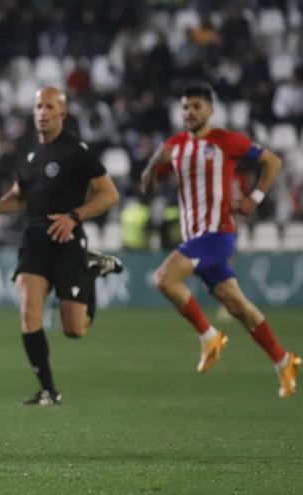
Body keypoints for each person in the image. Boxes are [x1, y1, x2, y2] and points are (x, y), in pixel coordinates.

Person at [0, 87, 123, 406]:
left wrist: (75, 217)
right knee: (29, 311)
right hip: (35, 240)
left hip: (67, 240)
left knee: (74, 330)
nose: (43, 112)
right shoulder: (28, 152)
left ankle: (90, 270)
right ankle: (48, 389)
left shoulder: (77, 150)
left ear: (62, 113)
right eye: (38, 106)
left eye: (50, 106)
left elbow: (109, 195)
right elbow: (19, 199)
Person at [140, 84, 300, 398]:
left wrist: (255, 197)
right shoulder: (175, 145)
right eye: (186, 107)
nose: (190, 112)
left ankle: (210, 336)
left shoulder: (225, 140)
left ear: (211, 111)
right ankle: (284, 361)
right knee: (241, 307)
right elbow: (149, 178)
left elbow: (273, 161)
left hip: (217, 235)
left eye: (197, 106)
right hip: (195, 238)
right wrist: (149, 172)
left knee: (164, 279)